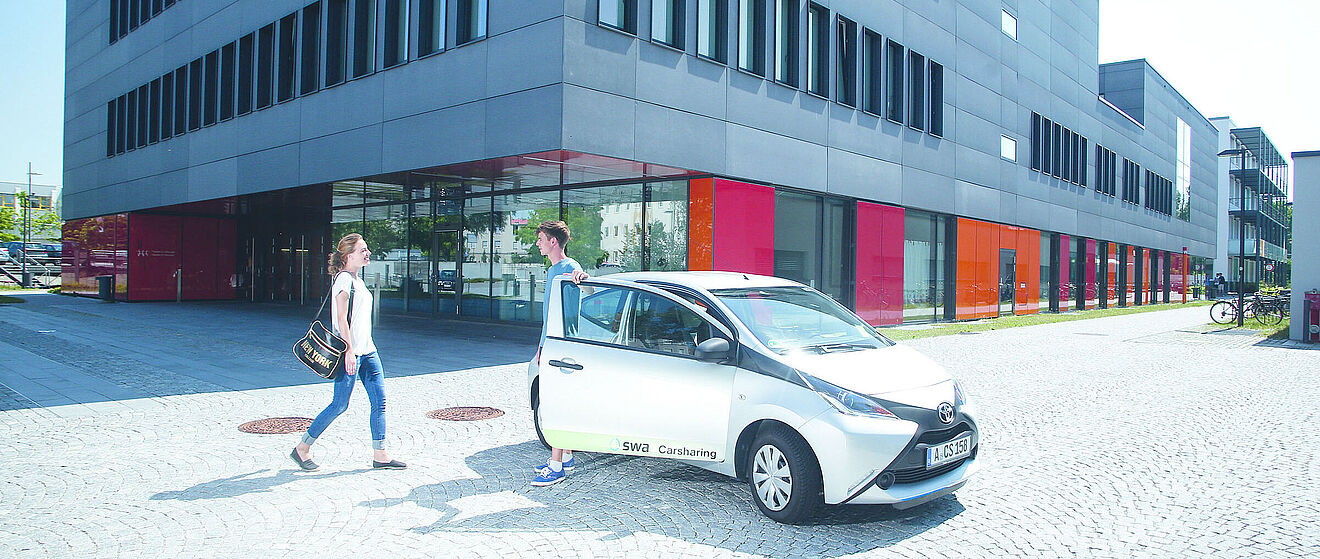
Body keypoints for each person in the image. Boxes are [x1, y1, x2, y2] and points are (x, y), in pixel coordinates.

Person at [290, 233, 406, 471]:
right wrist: (350, 351)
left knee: (380, 402)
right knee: (339, 405)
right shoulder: (344, 280)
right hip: (351, 354)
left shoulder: (358, 280)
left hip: (369, 352)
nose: (368, 253)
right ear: (349, 255)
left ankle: (380, 455)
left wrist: (362, 348)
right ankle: (302, 449)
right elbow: (341, 319)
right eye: (363, 250)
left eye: (367, 249)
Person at [530, 220, 588, 487]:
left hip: (563, 345)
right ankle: (565, 458)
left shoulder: (569, 267)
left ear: (554, 241)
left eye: (541, 239)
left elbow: (582, 281)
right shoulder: (554, 269)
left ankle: (556, 466)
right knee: (558, 399)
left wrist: (580, 278)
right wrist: (541, 346)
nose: (538, 243)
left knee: (556, 403)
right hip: (551, 342)